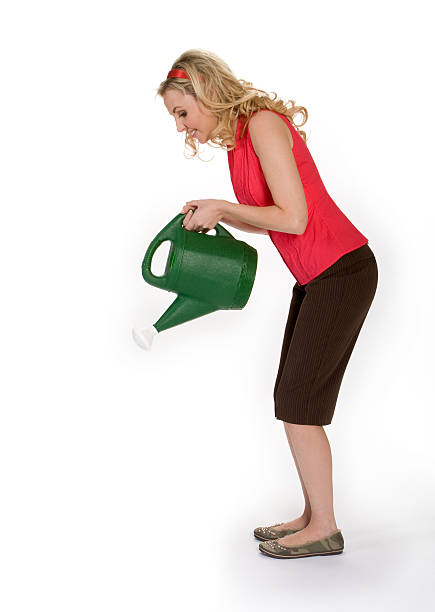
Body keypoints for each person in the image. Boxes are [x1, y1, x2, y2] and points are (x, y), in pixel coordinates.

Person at [157, 49, 378, 559]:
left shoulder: (263, 125)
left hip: (341, 271)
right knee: (293, 400)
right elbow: (270, 216)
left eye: (181, 113)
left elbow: (296, 218)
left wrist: (227, 206)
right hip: (318, 277)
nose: (181, 126)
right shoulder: (239, 144)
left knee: (299, 403)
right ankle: (311, 514)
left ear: (205, 94)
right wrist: (224, 215)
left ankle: (324, 527)